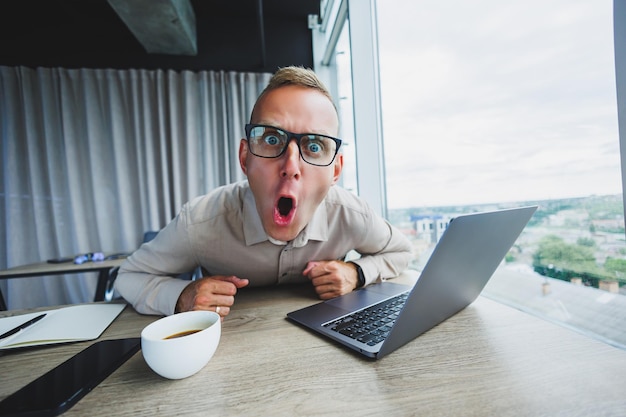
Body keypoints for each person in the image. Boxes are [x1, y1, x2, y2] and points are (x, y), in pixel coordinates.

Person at [115, 66, 412, 317]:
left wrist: (356, 273)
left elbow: (400, 252)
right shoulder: (201, 221)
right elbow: (130, 277)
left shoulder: (350, 214)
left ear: (335, 170)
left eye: (314, 146)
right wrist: (182, 296)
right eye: (271, 139)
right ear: (245, 157)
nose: (291, 166)